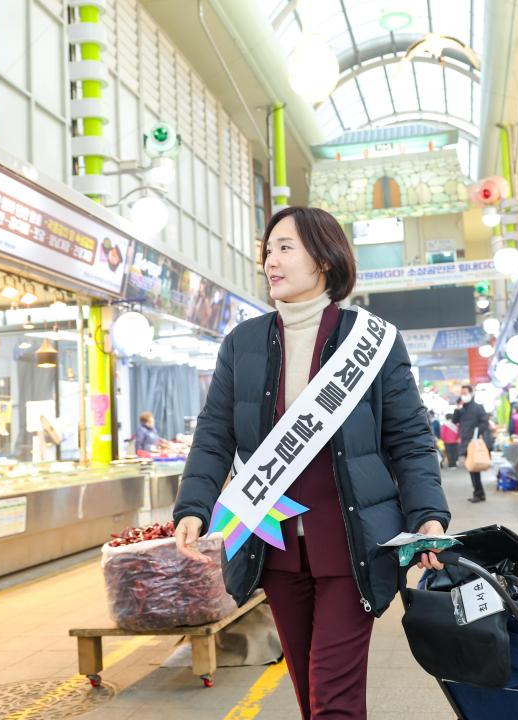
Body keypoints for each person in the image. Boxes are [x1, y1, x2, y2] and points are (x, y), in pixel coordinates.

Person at [173, 206, 450, 720]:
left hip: (353, 545)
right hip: (274, 548)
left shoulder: (373, 341)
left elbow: (410, 440)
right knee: (308, 690)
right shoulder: (244, 343)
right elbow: (214, 435)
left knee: (333, 697)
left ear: (323, 258)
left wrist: (427, 516)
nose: (270, 261)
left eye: (285, 247)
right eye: (267, 250)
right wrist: (193, 505)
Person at [454, 384, 492, 503]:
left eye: (465, 393)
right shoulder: (461, 408)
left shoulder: (478, 407)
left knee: (475, 468)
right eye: (462, 393)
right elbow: (455, 420)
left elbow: (485, 423)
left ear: (471, 393)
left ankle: (479, 493)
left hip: (474, 443)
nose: (463, 395)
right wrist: (457, 408)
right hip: (465, 442)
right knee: (471, 468)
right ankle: (479, 493)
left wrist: (476, 433)